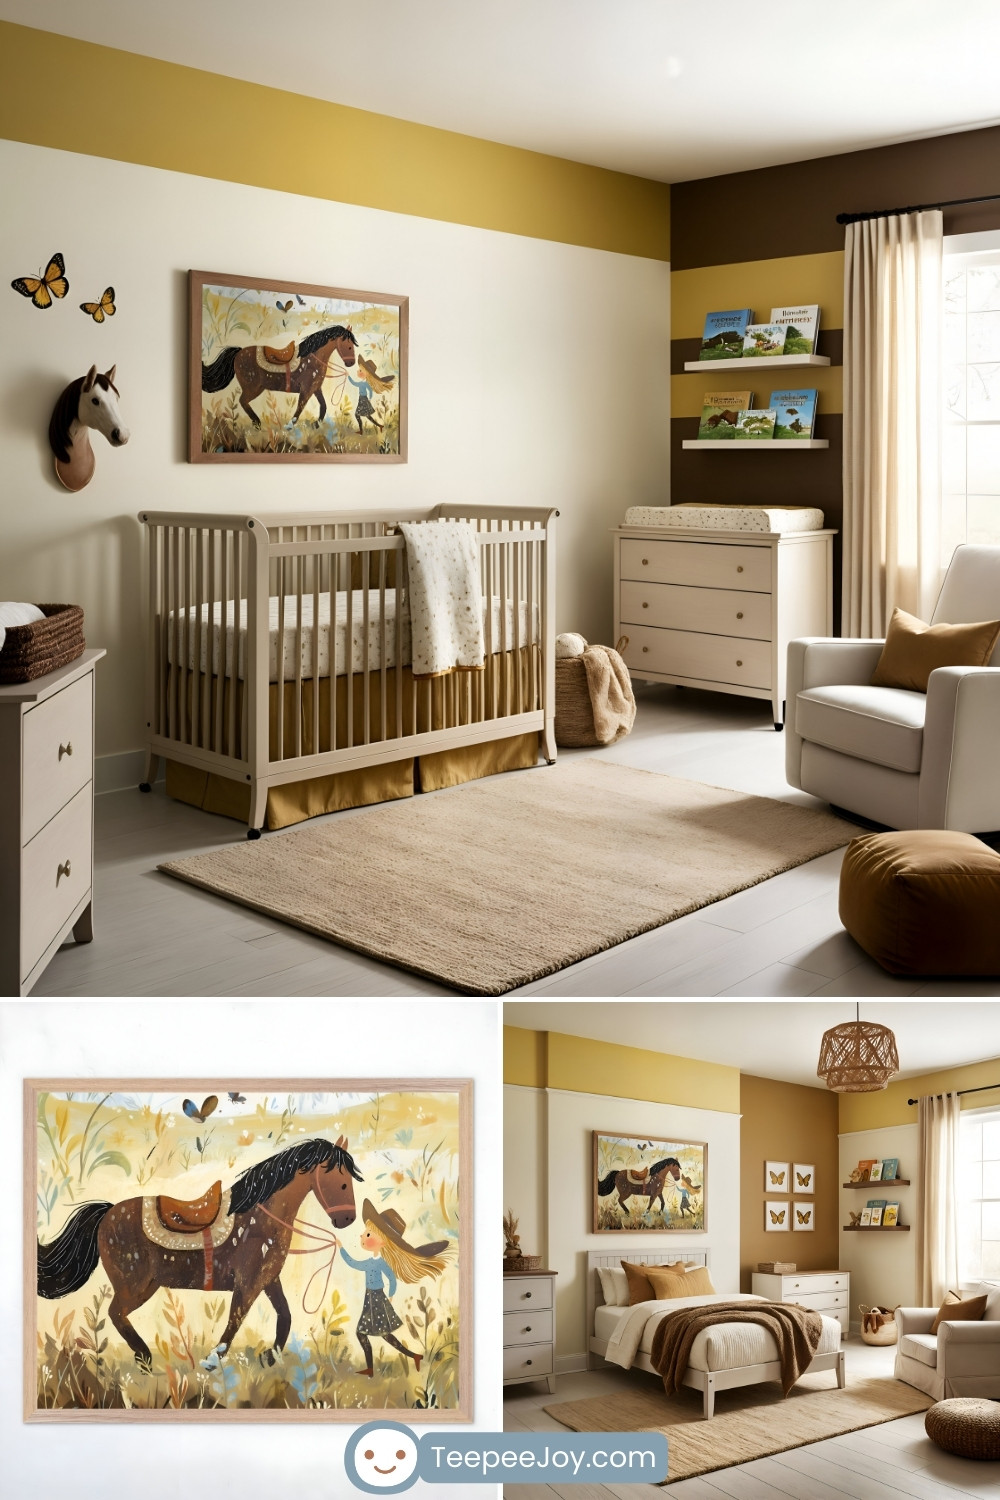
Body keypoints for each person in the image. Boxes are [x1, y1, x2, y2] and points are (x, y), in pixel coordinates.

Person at [336, 1197, 449, 1376]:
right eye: (365, 1233)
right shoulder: (369, 1262)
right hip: (371, 1299)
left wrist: (391, 1294)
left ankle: (372, 1369)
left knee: (365, 1333)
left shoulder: (379, 1263)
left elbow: (392, 1279)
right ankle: (410, 1357)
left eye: (368, 1234)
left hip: (376, 1299)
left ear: (382, 1242)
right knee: (380, 1335)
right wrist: (341, 1248)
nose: (362, 1236)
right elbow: (353, 1263)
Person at [347, 356, 395, 434]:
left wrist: (348, 376)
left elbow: (355, 384)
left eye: (360, 370)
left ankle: (362, 430)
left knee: (357, 414)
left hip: (363, 400)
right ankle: (379, 426)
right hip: (363, 399)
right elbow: (370, 391)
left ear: (367, 373)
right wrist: (369, 398)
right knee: (367, 416)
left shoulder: (363, 384)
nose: (358, 371)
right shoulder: (364, 383)